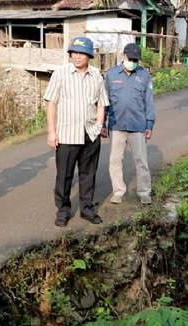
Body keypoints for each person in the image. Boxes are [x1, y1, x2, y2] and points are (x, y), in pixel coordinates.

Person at [44, 36, 109, 227]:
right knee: (64, 174)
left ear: (89, 55)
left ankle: (87, 209)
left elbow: (102, 103)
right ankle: (63, 210)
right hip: (66, 134)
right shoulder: (61, 73)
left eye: (82, 53)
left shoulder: (96, 75)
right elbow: (51, 103)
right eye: (74, 53)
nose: (77, 57)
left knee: (88, 174)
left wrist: (98, 126)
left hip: (90, 133)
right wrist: (51, 132)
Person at [103, 42, 155, 205]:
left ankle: (144, 192)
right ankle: (118, 191)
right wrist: (103, 124)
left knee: (141, 161)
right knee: (115, 160)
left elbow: (149, 101)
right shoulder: (111, 75)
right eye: (130, 58)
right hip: (116, 125)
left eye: (136, 59)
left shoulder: (144, 75)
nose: (133, 62)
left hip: (138, 125)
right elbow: (104, 101)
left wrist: (149, 124)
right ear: (123, 56)